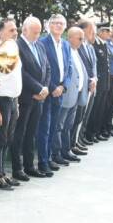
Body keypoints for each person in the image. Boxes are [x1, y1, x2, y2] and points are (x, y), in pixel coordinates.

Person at [13, 16, 51, 179]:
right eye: (34, 32)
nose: (37, 35)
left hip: (39, 97)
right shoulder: (17, 46)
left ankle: (29, 166)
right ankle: (17, 168)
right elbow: (21, 73)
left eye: (39, 32)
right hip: (25, 97)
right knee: (19, 134)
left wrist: (45, 88)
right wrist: (37, 88)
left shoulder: (39, 45)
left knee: (31, 133)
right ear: (25, 30)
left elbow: (47, 68)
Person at [0, 18, 23, 190]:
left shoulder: (13, 48)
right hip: (1, 100)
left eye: (15, 29)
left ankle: (3, 173)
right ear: (1, 32)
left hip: (13, 99)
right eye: (11, 30)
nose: (15, 33)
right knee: (0, 140)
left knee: (8, 138)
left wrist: (17, 102)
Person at [37, 14, 71, 172]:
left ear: (65, 27)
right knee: (45, 128)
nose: (58, 26)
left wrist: (63, 86)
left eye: (61, 23)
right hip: (48, 92)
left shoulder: (65, 44)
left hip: (60, 91)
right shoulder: (42, 43)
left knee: (54, 127)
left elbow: (68, 68)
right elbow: (43, 70)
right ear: (49, 26)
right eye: (55, 23)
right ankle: (43, 162)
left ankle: (49, 157)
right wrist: (53, 88)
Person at [58, 26, 85, 163]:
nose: (82, 41)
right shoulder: (65, 49)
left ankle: (66, 150)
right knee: (60, 126)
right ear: (70, 38)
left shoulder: (76, 51)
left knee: (68, 125)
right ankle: (57, 154)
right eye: (79, 38)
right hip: (66, 95)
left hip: (75, 94)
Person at [73, 20, 97, 152]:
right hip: (83, 87)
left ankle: (78, 139)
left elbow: (93, 67)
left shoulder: (89, 46)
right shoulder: (78, 46)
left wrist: (94, 78)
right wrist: (88, 80)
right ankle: (73, 142)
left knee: (84, 116)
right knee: (78, 116)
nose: (93, 32)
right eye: (91, 30)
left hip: (91, 85)